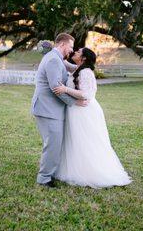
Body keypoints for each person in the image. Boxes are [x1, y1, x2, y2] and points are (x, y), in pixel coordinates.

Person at [53, 47, 132, 188]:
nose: (75, 52)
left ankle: (91, 172)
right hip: (75, 110)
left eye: (78, 52)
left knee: (85, 140)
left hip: (84, 111)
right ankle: (74, 168)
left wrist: (65, 89)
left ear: (83, 58)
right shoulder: (78, 68)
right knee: (75, 140)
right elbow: (63, 62)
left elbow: (86, 94)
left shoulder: (86, 72)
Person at [31, 33, 87, 188]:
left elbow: (70, 67)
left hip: (50, 109)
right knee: (53, 144)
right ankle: (44, 179)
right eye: (70, 47)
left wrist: (85, 69)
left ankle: (50, 172)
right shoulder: (53, 60)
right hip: (47, 109)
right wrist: (75, 102)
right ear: (62, 45)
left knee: (54, 144)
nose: (71, 50)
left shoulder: (56, 58)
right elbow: (56, 88)